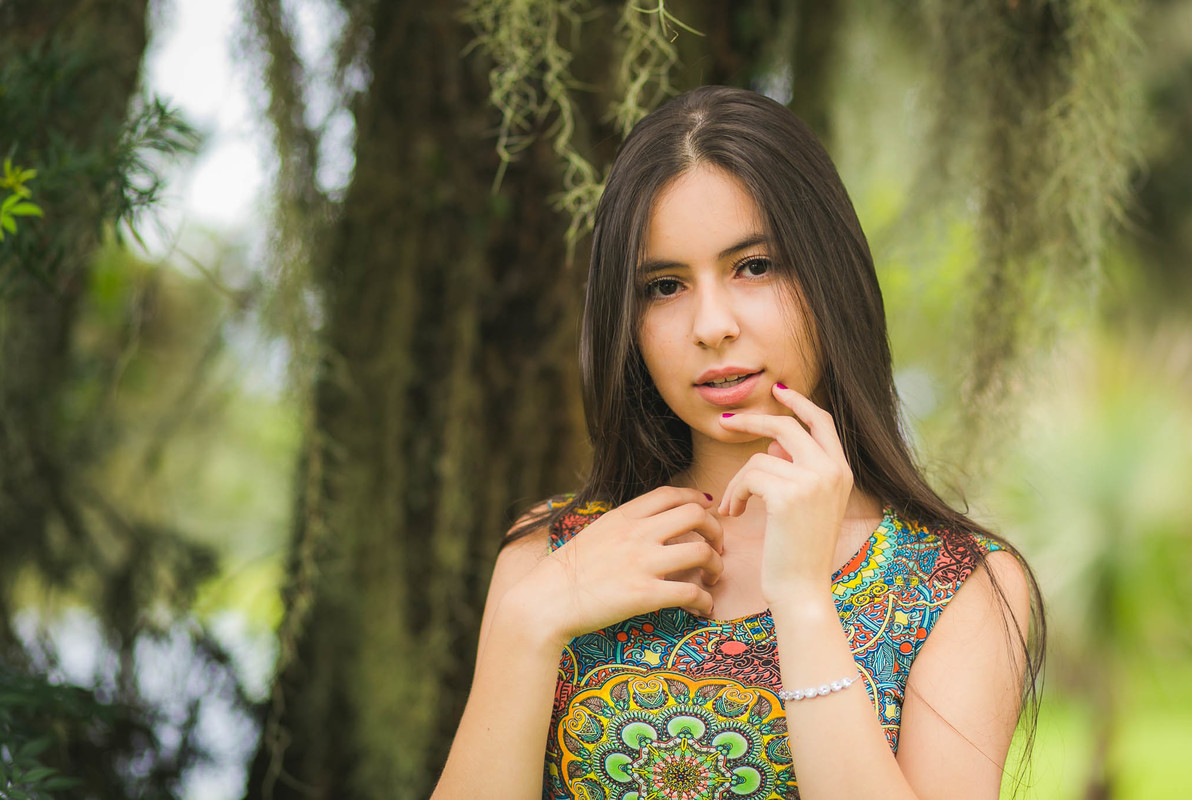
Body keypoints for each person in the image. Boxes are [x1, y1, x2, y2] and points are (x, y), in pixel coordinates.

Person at [431, 85, 1044, 800]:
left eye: (754, 267)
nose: (711, 324)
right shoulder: (549, 556)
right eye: (664, 286)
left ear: (829, 277)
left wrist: (804, 599)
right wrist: (529, 623)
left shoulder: (959, 583)